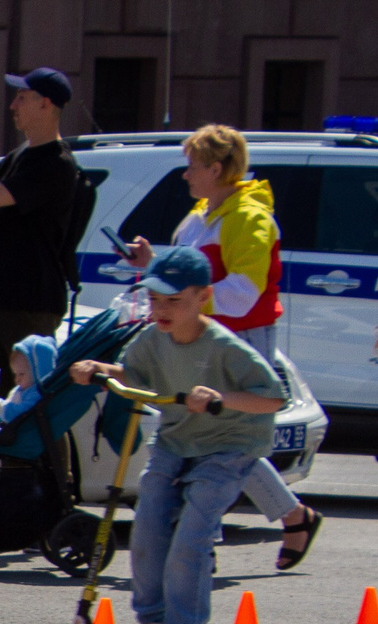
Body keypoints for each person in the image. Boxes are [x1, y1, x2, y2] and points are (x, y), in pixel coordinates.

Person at [69, 246, 284, 624]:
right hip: (176, 441)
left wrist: (220, 400)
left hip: (229, 446)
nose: (161, 310)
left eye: (174, 301)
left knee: (192, 536)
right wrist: (99, 368)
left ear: (203, 296)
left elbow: (272, 397)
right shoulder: (153, 339)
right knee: (147, 526)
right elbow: (133, 376)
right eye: (155, 300)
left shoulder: (224, 346)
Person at [121, 125, 323, 572]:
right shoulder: (202, 214)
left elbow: (243, 294)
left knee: (224, 441)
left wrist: (188, 298)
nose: (185, 174)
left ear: (216, 168)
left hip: (241, 341)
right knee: (217, 439)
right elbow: (192, 277)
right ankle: (290, 518)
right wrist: (154, 265)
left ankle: (204, 548)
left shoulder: (249, 218)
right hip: (200, 338)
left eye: (193, 165)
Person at [0, 68, 80, 395]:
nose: (13, 105)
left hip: (30, 303)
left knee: (30, 407)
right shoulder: (22, 155)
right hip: (1, 299)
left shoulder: (56, 162)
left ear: (45, 105)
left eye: (22, 97)